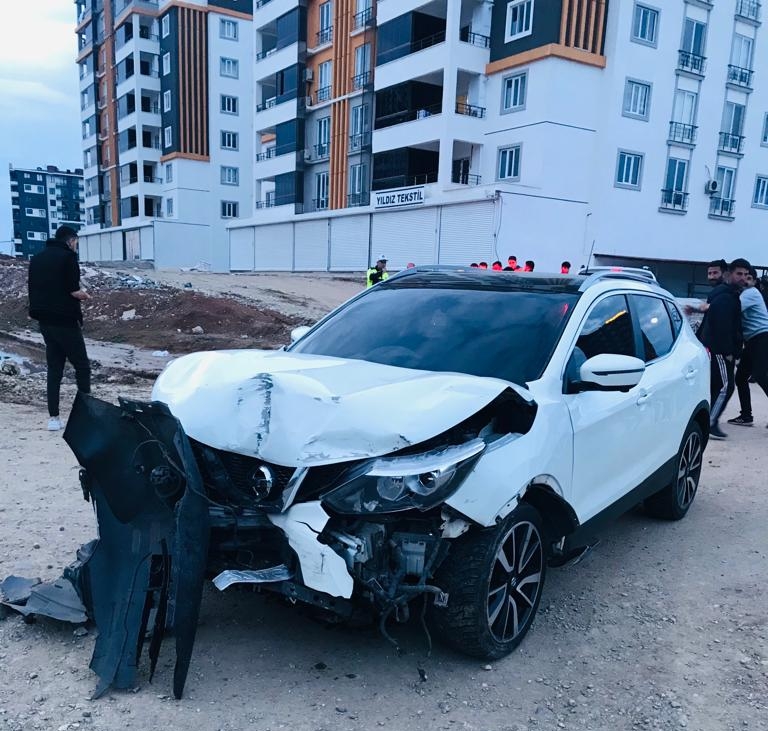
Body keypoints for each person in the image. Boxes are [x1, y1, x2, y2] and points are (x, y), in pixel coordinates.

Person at [27, 225, 91, 431]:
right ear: (70, 240)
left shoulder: (36, 259)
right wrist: (85, 294)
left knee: (55, 369)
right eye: (76, 242)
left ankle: (53, 418)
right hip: (65, 320)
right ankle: (87, 414)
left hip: (45, 321)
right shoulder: (68, 258)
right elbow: (73, 290)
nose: (76, 246)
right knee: (82, 366)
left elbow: (36, 288)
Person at [695, 267, 742, 439]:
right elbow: (723, 327)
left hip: (714, 347)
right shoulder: (725, 298)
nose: (743, 278)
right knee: (724, 386)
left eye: (746, 275)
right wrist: (729, 351)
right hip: (719, 350)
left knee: (717, 385)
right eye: (739, 274)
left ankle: (707, 420)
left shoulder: (725, 295)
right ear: (728, 275)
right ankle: (710, 423)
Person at [727, 258, 768, 427]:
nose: (745, 280)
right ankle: (746, 416)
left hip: (762, 338)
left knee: (759, 375)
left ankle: (746, 415)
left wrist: (706, 307)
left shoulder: (750, 293)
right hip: (753, 341)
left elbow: (733, 309)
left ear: (754, 281)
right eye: (742, 276)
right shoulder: (744, 294)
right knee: (741, 377)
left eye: (749, 277)